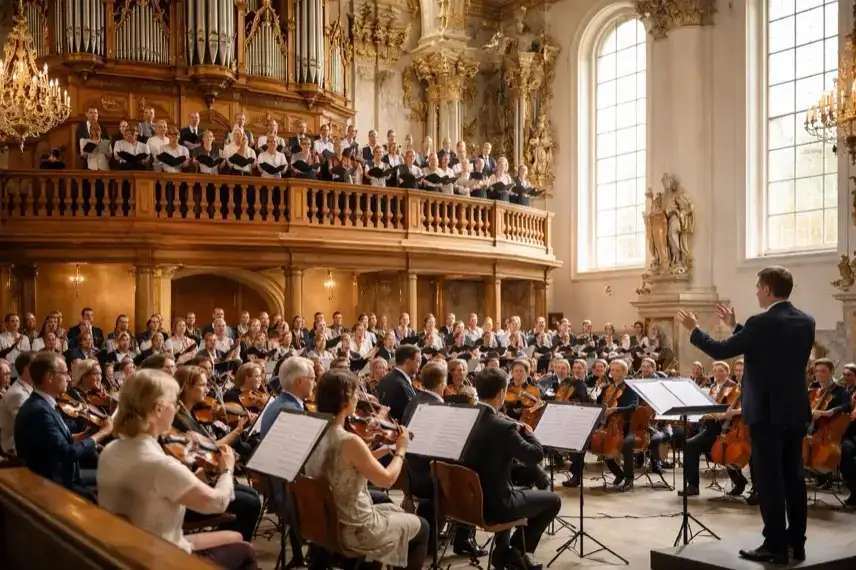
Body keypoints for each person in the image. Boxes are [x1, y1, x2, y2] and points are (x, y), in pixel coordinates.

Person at [677, 265, 814, 564]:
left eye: (757, 287)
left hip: (766, 413)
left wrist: (694, 330)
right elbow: (769, 348)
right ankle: (796, 543)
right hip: (795, 411)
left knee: (769, 480)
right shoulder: (806, 321)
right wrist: (736, 325)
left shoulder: (761, 323)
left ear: (766, 289)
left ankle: (774, 545)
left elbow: (719, 350)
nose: (755, 292)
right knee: (794, 477)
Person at [97, 369, 258, 570]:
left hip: (127, 549)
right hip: (162, 558)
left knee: (235, 536)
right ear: (157, 410)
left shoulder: (110, 450)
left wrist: (206, 471)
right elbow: (218, 503)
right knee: (246, 549)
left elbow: (168, 488)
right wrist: (227, 470)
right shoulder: (159, 464)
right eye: (173, 404)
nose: (176, 410)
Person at [304, 369, 429, 570]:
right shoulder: (349, 440)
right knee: (422, 526)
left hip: (329, 520)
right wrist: (401, 450)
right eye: (355, 394)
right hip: (355, 527)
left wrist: (381, 448)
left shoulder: (317, 429)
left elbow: (350, 464)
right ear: (344, 400)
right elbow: (386, 480)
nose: (358, 399)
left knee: (393, 508)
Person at [463, 367, 561, 570]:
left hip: (467, 499)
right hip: (495, 505)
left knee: (521, 486)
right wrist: (529, 431)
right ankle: (516, 551)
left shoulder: (465, 416)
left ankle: (503, 553)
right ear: (500, 393)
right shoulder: (502, 426)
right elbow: (535, 455)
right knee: (553, 501)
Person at [401, 363, 486, 557]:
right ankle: (463, 539)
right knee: (472, 479)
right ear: (444, 382)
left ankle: (429, 540)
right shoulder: (440, 408)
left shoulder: (414, 401)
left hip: (411, 474)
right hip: (430, 477)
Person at [13, 352, 113, 498]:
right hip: (53, 484)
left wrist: (89, 433)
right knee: (113, 484)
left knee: (112, 477)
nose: (69, 378)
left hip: (62, 475)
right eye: (65, 373)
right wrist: (102, 434)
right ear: (49, 377)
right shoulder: (39, 411)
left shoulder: (44, 404)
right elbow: (67, 453)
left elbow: (62, 441)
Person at [375, 345, 421, 422]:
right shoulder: (401, 385)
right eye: (418, 361)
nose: (419, 365)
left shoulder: (386, 378)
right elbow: (412, 414)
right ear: (407, 361)